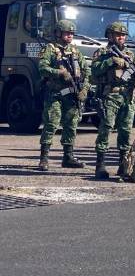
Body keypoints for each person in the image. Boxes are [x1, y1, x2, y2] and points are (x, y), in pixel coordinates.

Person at [91, 22, 135, 179]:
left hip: (127, 96)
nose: (121, 37)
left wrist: (134, 73)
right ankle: (100, 165)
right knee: (106, 129)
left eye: (123, 35)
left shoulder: (130, 54)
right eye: (118, 34)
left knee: (126, 131)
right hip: (110, 95)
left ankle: (123, 165)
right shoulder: (103, 52)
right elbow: (94, 71)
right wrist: (110, 61)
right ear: (110, 36)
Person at [37, 20, 90, 171]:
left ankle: (68, 157)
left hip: (72, 95)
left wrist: (84, 89)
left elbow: (87, 72)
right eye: (67, 33)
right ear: (58, 33)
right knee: (51, 123)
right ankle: (44, 158)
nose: (69, 36)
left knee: (71, 125)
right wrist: (59, 72)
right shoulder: (50, 49)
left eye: (72, 34)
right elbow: (42, 68)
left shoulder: (75, 51)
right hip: (55, 94)